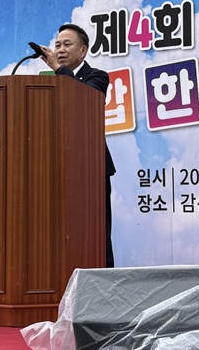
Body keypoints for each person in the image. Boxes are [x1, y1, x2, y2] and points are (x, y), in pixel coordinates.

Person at [39, 23, 116, 268]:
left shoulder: (97, 76)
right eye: (57, 45)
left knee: (95, 233)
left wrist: (58, 69)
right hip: (57, 168)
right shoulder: (47, 81)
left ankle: (104, 283)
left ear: (83, 51)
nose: (60, 49)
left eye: (67, 44)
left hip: (90, 169)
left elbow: (84, 101)